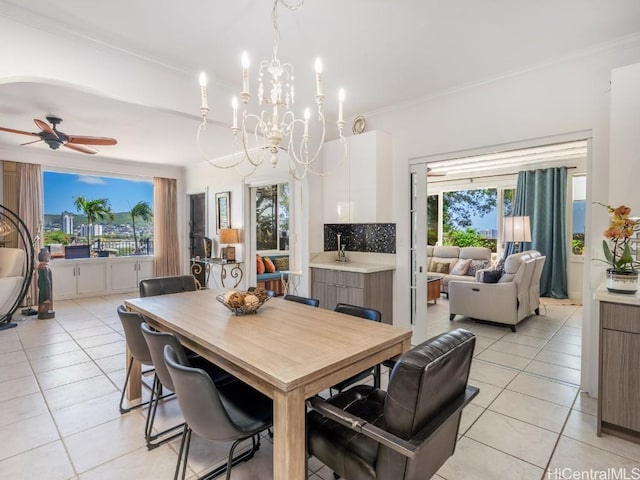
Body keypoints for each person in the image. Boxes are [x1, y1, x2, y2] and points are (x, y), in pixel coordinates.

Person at [37, 247, 55, 319]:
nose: (49, 257)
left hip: (45, 286)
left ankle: (45, 312)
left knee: (45, 300)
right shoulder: (43, 267)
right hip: (45, 287)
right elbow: (45, 279)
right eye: (47, 255)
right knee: (45, 300)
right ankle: (43, 313)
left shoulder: (44, 266)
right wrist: (48, 292)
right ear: (43, 257)